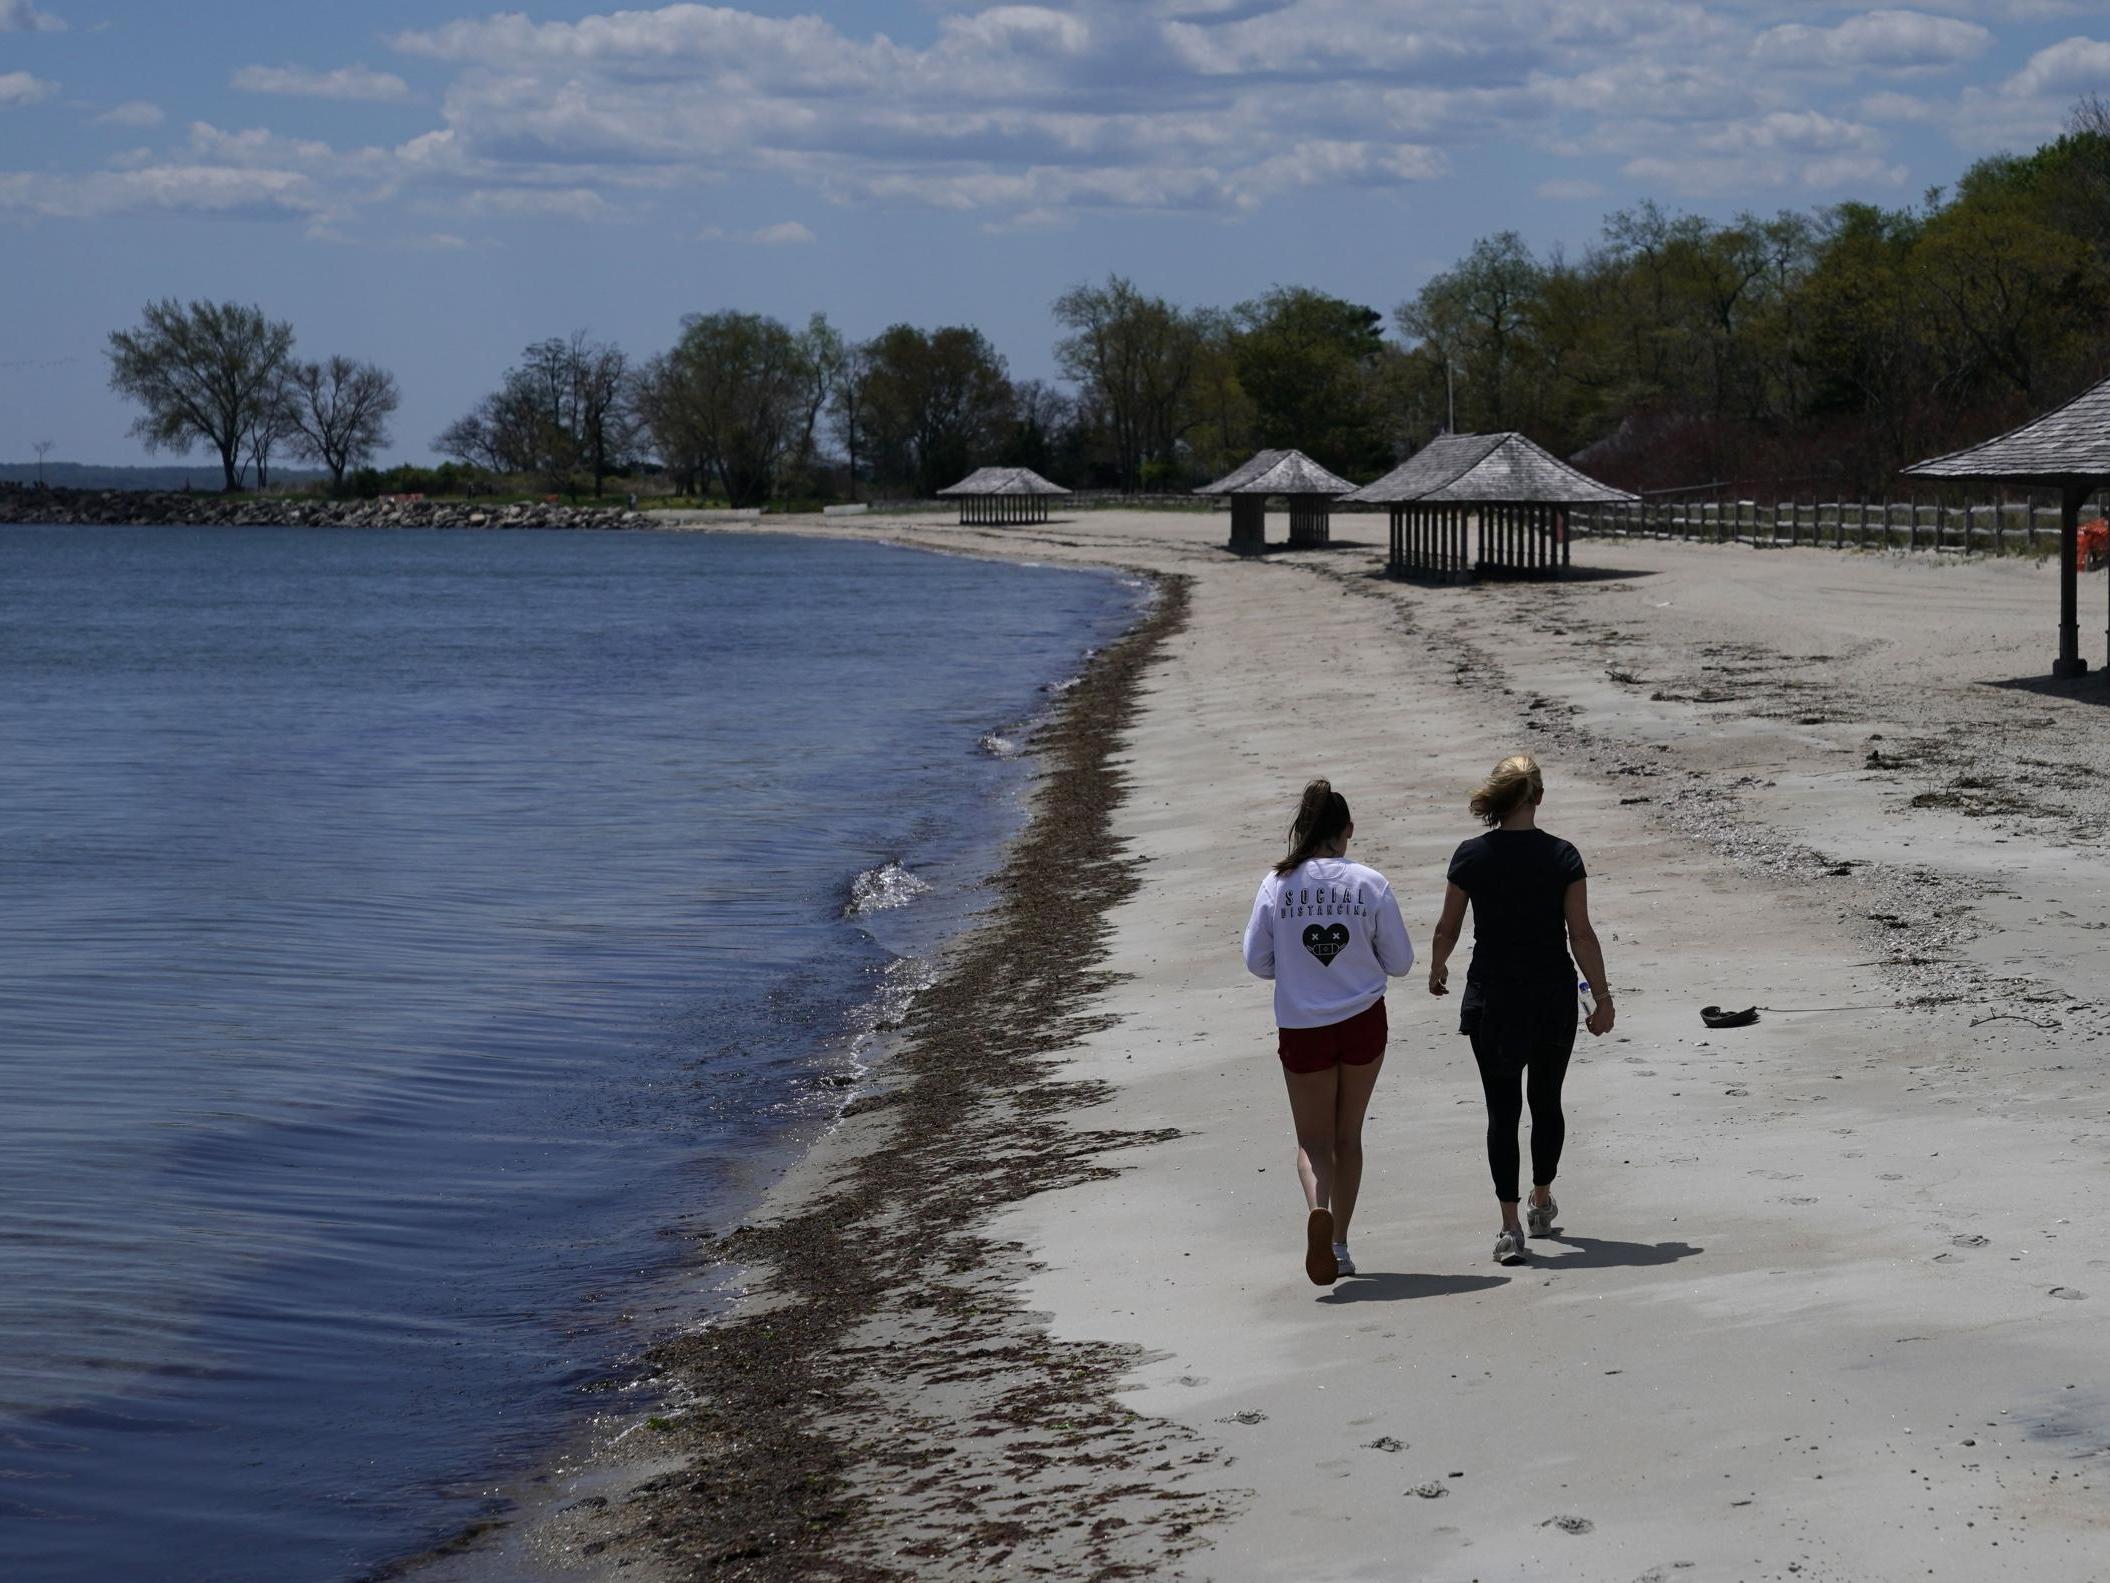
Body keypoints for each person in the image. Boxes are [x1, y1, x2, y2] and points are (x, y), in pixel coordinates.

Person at [1427, 755, 1613, 1266]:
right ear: (1538, 797)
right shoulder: (1562, 857)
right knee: (1547, 1101)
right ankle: (1541, 1198)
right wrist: (1602, 996)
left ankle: (1510, 1228)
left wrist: (1438, 968)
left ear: (1499, 799)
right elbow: (1581, 934)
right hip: (1552, 997)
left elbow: (1448, 928)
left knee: (1502, 1111)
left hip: (1493, 999)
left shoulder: (1471, 856)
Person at [1243, 779, 1416, 1286]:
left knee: (1313, 1141)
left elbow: (1257, 961)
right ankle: (1338, 1244)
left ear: (1303, 829)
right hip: (1363, 1020)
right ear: (1347, 831)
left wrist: (1297, 969)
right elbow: (1401, 962)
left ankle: (1319, 1209)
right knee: (1349, 1136)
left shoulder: (1277, 884)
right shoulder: (1369, 883)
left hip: (1302, 1025)